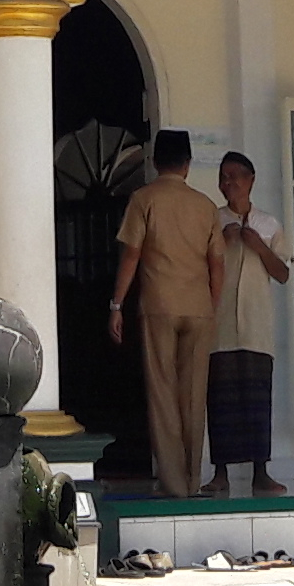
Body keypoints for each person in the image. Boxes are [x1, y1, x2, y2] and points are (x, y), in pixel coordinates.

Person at [108, 129, 222, 497]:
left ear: (156, 162)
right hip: (199, 307)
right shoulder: (205, 205)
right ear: (188, 165)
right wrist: (211, 306)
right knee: (194, 395)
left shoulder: (144, 199)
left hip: (159, 306)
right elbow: (217, 263)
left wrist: (116, 304)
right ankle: (192, 479)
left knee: (163, 394)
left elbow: (132, 256)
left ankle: (173, 484)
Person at [209, 151, 289, 497]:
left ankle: (261, 472)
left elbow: (283, 273)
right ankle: (220, 473)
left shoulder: (269, 224)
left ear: (250, 180)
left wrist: (258, 245)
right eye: (223, 177)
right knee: (220, 399)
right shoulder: (211, 221)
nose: (228, 183)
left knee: (257, 399)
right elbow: (197, 266)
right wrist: (222, 242)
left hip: (256, 325)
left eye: (235, 176)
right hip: (220, 325)